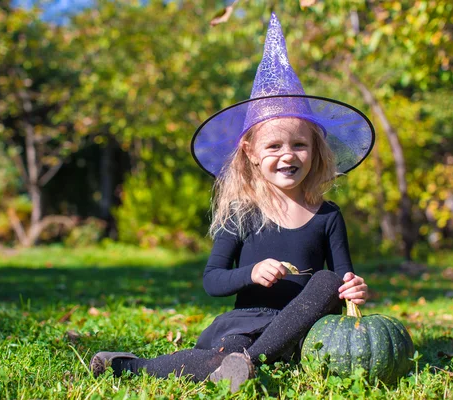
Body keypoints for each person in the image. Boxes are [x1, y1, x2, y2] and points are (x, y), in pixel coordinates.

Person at [91, 13, 375, 392]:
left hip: (303, 329)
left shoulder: (327, 216)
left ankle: (247, 364)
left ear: (315, 150)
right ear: (251, 153)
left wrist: (353, 288)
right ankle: (133, 365)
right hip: (247, 321)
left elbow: (339, 282)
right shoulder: (242, 214)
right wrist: (251, 272)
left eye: (299, 145)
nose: (287, 155)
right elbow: (213, 281)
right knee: (222, 355)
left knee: (325, 280)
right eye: (273, 146)